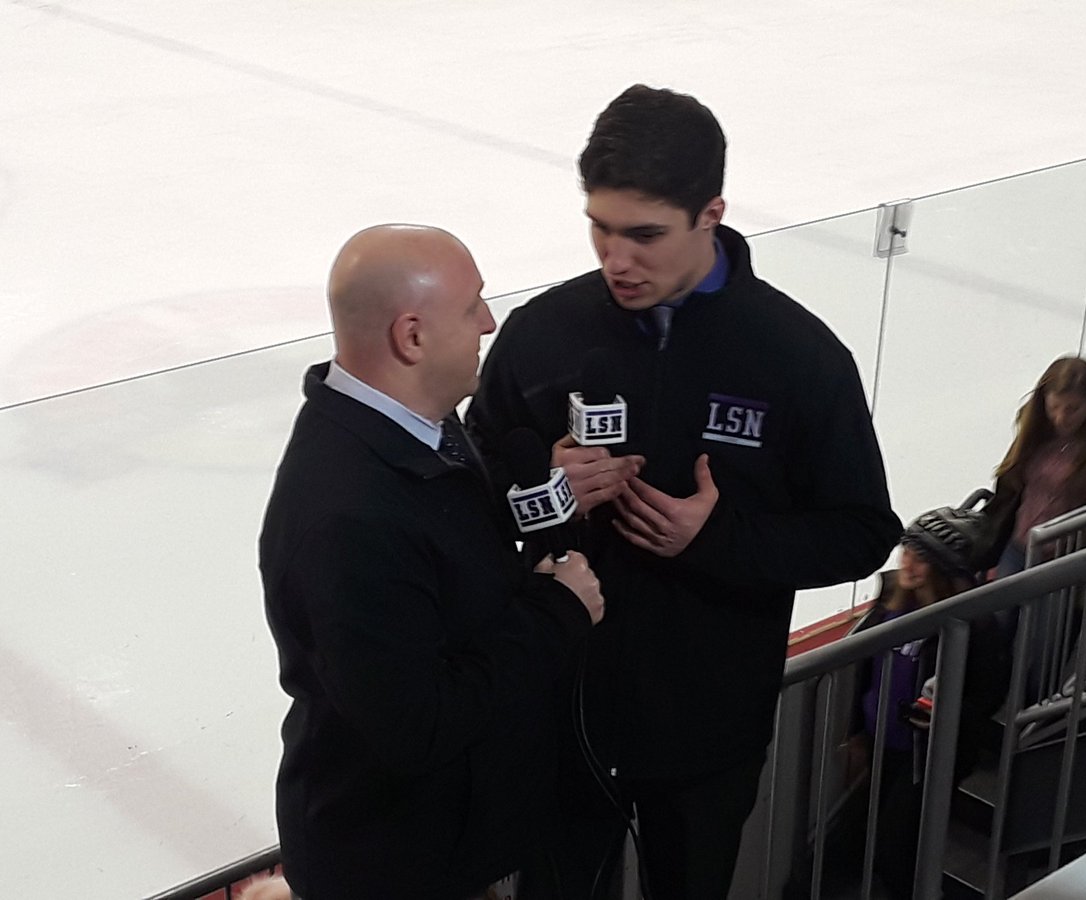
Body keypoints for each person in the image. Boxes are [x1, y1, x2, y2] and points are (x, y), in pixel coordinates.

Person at [466, 85, 901, 900]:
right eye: (598, 226)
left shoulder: (798, 357)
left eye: (644, 235)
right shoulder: (544, 333)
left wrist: (717, 537)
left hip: (707, 740)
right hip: (565, 717)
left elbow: (863, 531)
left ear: (712, 213)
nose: (615, 259)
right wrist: (545, 490)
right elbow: (474, 477)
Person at [258, 225, 605, 900]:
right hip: (395, 866)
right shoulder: (348, 515)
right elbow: (420, 723)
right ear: (411, 336)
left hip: (442, 842)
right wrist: (558, 612)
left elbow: (435, 571)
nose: (489, 321)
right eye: (473, 304)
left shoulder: (420, 427)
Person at [790, 506, 1011, 899]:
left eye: (922, 557)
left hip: (923, 761)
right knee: (839, 848)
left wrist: (947, 719)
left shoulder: (974, 628)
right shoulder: (890, 608)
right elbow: (866, 677)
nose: (909, 563)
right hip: (884, 749)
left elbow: (989, 695)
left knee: (896, 848)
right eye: (907, 550)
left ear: (944, 570)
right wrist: (857, 733)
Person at [979, 355, 1086, 577]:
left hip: (1067, 561)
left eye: (1073, 409)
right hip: (1019, 547)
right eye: (1054, 407)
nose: (1061, 417)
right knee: (1001, 610)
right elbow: (1009, 487)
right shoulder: (1034, 427)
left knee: (1045, 613)